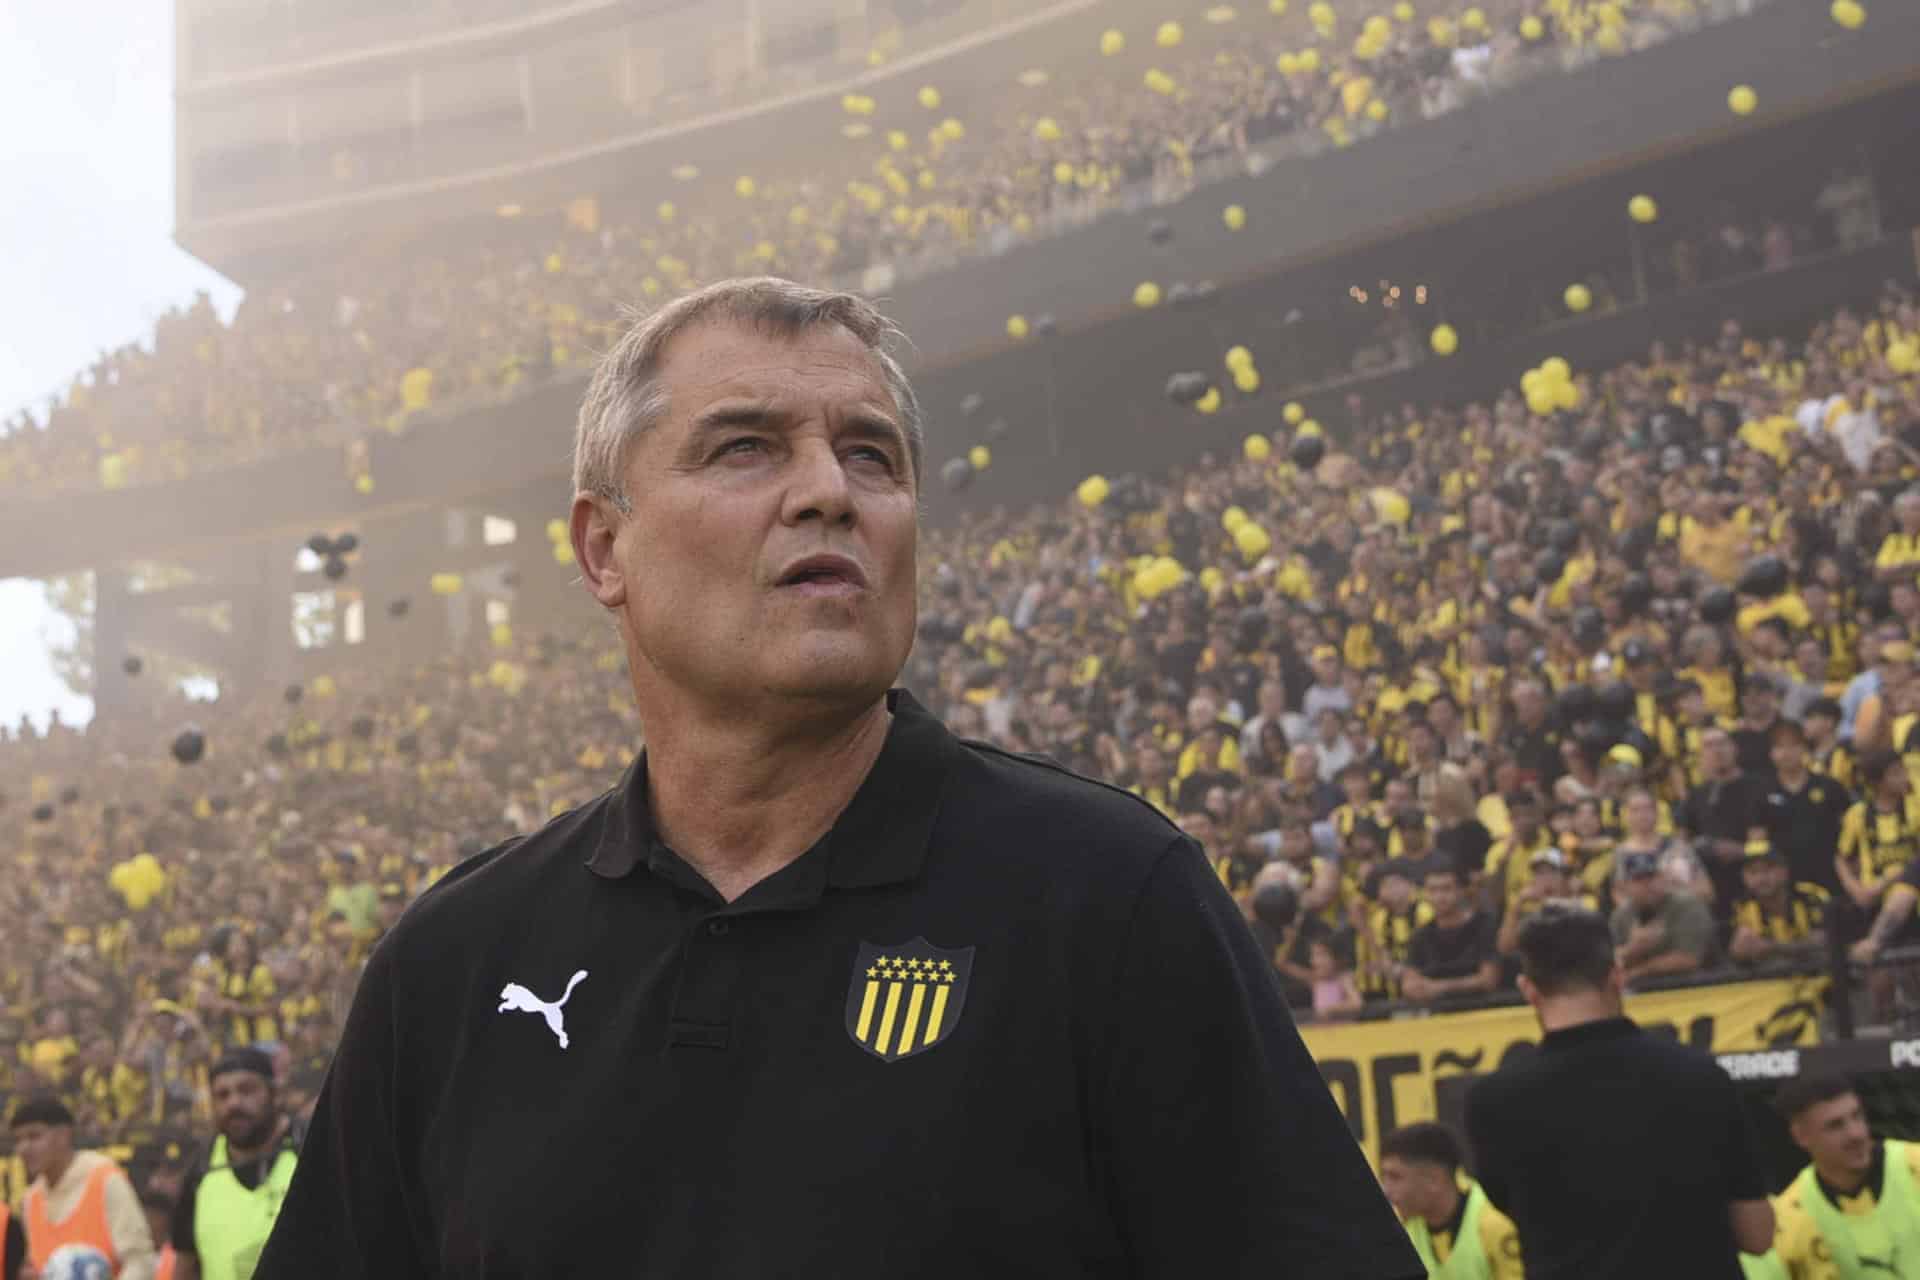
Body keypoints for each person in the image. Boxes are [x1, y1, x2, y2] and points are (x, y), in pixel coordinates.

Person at [255, 278, 1420, 1277]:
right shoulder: (457, 962)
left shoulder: (1109, 897)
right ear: (604, 547)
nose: (831, 491)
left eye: (872, 453)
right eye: (746, 445)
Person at [1465, 906, 1774, 1278]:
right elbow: (1758, 1234)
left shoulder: (1491, 1102)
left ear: (1528, 990)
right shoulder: (1700, 1076)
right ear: (1616, 976)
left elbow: (1513, 1207)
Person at [1768, 1075, 1920, 1277]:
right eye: (1835, 1126)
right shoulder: (1788, 1218)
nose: (1855, 1134)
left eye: (1857, 1116)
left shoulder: (1914, 1163)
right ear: (1801, 1136)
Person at [170, 1049, 297, 1280]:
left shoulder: (307, 1149)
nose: (234, 1103)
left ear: (275, 1094)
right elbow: (184, 1265)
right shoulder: (200, 1170)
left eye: (246, 1090)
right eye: (222, 1095)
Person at [10, 1096, 158, 1279]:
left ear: (64, 1135)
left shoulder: (104, 1180)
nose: (24, 1148)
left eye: (34, 1136)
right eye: (18, 1140)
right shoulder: (31, 1200)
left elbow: (140, 1261)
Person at [1378, 1122, 1524, 1279]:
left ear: (1434, 1180)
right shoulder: (1403, 1228)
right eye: (1384, 1177)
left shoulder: (1495, 1225)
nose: (1385, 1190)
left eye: (1395, 1177)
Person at [1611, 849, 1716, 983]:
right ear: (1625, 886)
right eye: (1639, 879)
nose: (1648, 884)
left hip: (1695, 986)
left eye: (1652, 876)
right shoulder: (1620, 916)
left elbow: (1689, 959)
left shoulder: (1687, 905)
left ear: (1663, 877)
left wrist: (1639, 971)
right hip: (1640, 991)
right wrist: (1633, 948)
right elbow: (1608, 962)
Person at [1402, 860, 1500, 1004]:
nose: (1439, 897)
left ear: (1461, 890)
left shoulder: (1485, 925)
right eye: (1433, 890)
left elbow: (1488, 980)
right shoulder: (1421, 936)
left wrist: (1439, 987)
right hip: (1438, 1019)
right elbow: (1408, 984)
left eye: (1446, 889)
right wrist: (1416, 988)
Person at [1727, 833, 1829, 965]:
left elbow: (1823, 942)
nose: (1761, 879)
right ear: (1744, 878)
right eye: (1753, 872)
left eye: (1768, 870)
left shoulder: (1811, 896)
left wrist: (1772, 947)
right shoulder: (1742, 906)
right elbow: (1738, 952)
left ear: (1784, 871)